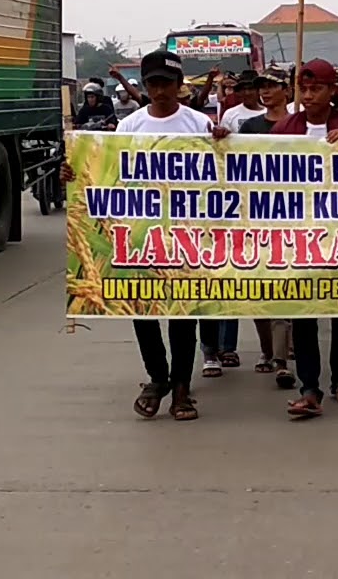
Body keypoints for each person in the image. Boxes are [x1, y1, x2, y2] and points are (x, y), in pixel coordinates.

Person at [63, 50, 223, 421]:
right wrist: (74, 175)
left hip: (189, 235)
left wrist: (225, 141)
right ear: (146, 86)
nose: (160, 90)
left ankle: (181, 387)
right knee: (143, 308)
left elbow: (226, 172)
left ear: (179, 85)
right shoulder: (130, 127)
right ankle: (158, 378)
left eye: (167, 83)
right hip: (140, 236)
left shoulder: (199, 124)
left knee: (183, 313)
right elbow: (108, 174)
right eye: (153, 83)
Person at [274, 59, 338, 418]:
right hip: (299, 235)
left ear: (333, 90)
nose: (308, 94)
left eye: (315, 87)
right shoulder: (286, 129)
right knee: (304, 314)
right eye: (302, 88)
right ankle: (309, 387)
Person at [241, 68, 298, 389]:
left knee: (284, 289)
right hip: (256, 218)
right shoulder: (249, 127)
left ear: (286, 90)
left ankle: (281, 360)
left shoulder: (299, 125)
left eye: (272, 86)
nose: (265, 91)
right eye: (261, 86)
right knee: (260, 290)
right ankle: (269, 349)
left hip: (294, 219)